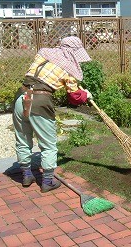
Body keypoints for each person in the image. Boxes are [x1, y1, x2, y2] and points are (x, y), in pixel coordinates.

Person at [12, 36, 92, 193]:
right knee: (48, 144)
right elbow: (74, 97)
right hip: (40, 101)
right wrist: (86, 95)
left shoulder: (43, 54)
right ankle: (47, 181)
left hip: (21, 97)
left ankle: (26, 175)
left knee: (23, 138)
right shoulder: (69, 68)